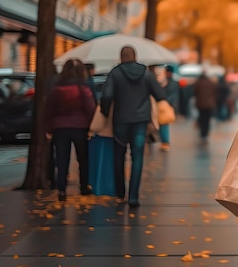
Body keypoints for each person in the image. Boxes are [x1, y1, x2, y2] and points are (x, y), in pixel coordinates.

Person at [100, 46, 166, 208]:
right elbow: (160, 94)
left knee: (118, 157)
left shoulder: (115, 73)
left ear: (121, 57)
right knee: (137, 157)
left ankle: (120, 194)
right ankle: (134, 197)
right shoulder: (146, 74)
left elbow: (107, 95)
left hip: (120, 121)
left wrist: (105, 111)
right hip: (140, 122)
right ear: (135, 56)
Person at [46, 58, 96, 201]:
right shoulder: (83, 88)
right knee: (83, 159)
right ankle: (84, 186)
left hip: (60, 128)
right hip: (80, 127)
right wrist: (91, 127)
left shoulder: (56, 89)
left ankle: (61, 189)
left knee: (62, 160)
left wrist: (49, 129)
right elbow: (90, 108)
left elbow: (49, 109)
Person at [159, 65, 180, 152]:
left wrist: (165, 101)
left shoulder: (168, 83)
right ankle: (164, 142)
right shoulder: (172, 82)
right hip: (168, 105)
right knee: (164, 123)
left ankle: (165, 142)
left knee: (164, 123)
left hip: (166, 105)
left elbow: (171, 95)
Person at [193, 71, 218, 142]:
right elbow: (215, 92)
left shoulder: (198, 83)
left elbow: (195, 92)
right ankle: (206, 134)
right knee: (207, 119)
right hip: (210, 104)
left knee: (202, 118)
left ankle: (202, 134)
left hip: (201, 104)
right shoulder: (211, 83)